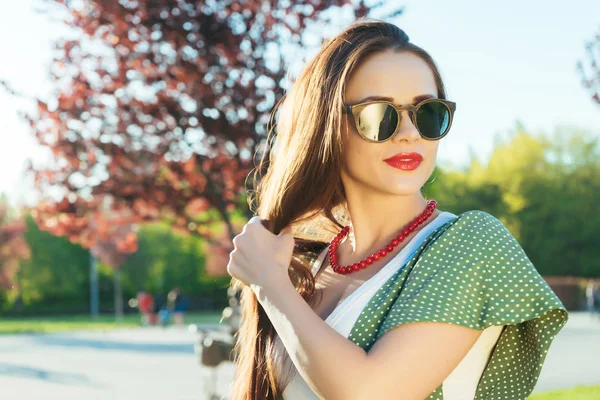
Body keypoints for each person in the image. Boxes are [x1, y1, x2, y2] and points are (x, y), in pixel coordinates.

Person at [226, 19, 569, 400]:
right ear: (325, 126)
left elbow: (372, 394)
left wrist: (270, 285)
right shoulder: (306, 263)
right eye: (378, 115)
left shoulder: (472, 243)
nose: (409, 133)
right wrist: (275, 279)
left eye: (428, 113)